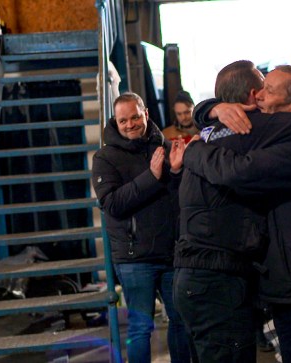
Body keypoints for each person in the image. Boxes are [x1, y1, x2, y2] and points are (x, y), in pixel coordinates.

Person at [174, 60, 291, 363]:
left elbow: (238, 170)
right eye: (259, 89)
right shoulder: (259, 137)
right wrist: (212, 109)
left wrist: (195, 147)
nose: (259, 96)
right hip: (278, 287)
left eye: (269, 90)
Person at [91, 92, 194, 363]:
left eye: (135, 117)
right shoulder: (105, 158)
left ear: (146, 113)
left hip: (172, 254)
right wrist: (152, 176)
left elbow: (183, 198)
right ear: (115, 121)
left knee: (182, 322)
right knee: (140, 329)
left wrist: (176, 172)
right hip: (135, 259)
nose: (130, 124)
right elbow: (112, 204)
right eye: (123, 120)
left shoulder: (167, 146)